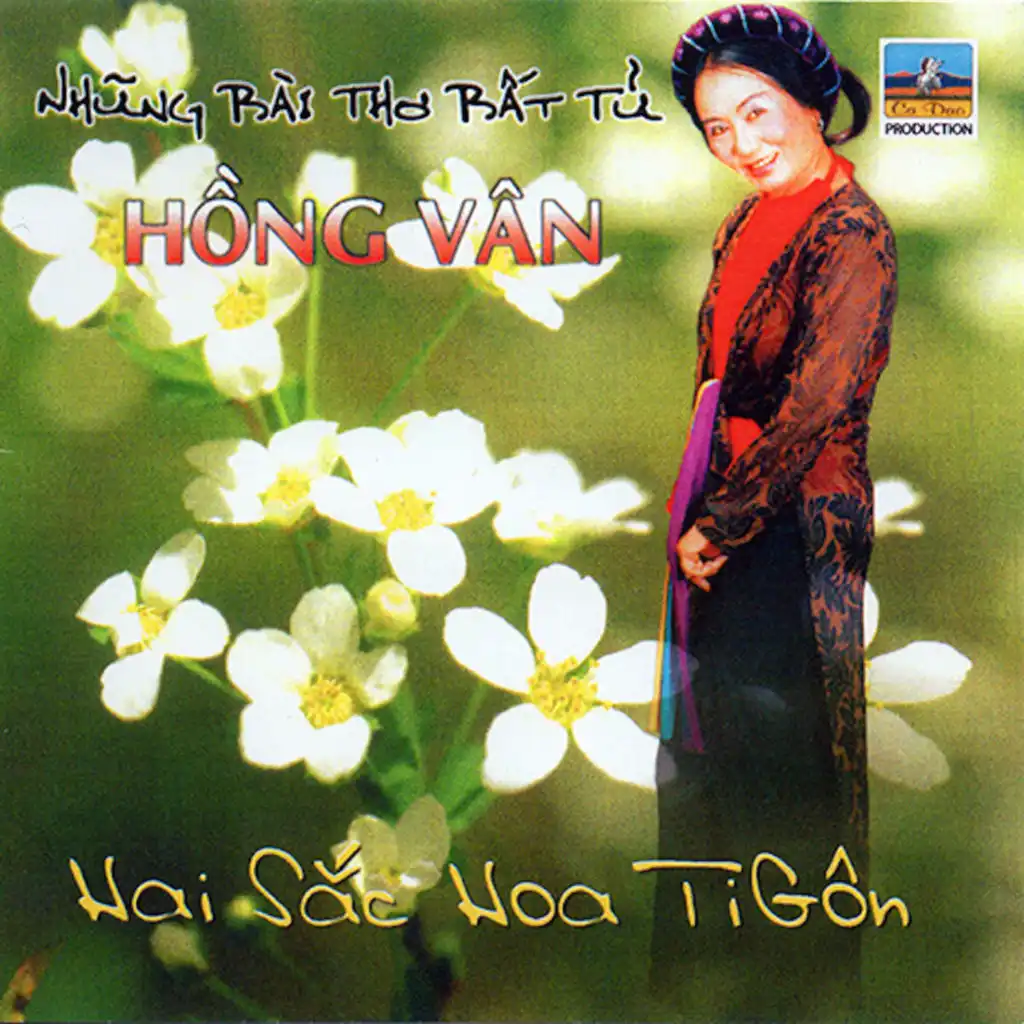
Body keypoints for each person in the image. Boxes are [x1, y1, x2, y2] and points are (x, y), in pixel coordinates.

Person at [648, 4, 897, 1018]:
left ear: (812, 103)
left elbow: (818, 403)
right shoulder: (743, 222)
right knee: (707, 745)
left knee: (784, 750)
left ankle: (797, 986)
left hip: (796, 519)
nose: (740, 144)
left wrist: (728, 519)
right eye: (717, 128)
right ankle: (709, 979)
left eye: (757, 114)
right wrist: (703, 501)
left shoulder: (852, 234)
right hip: (718, 491)